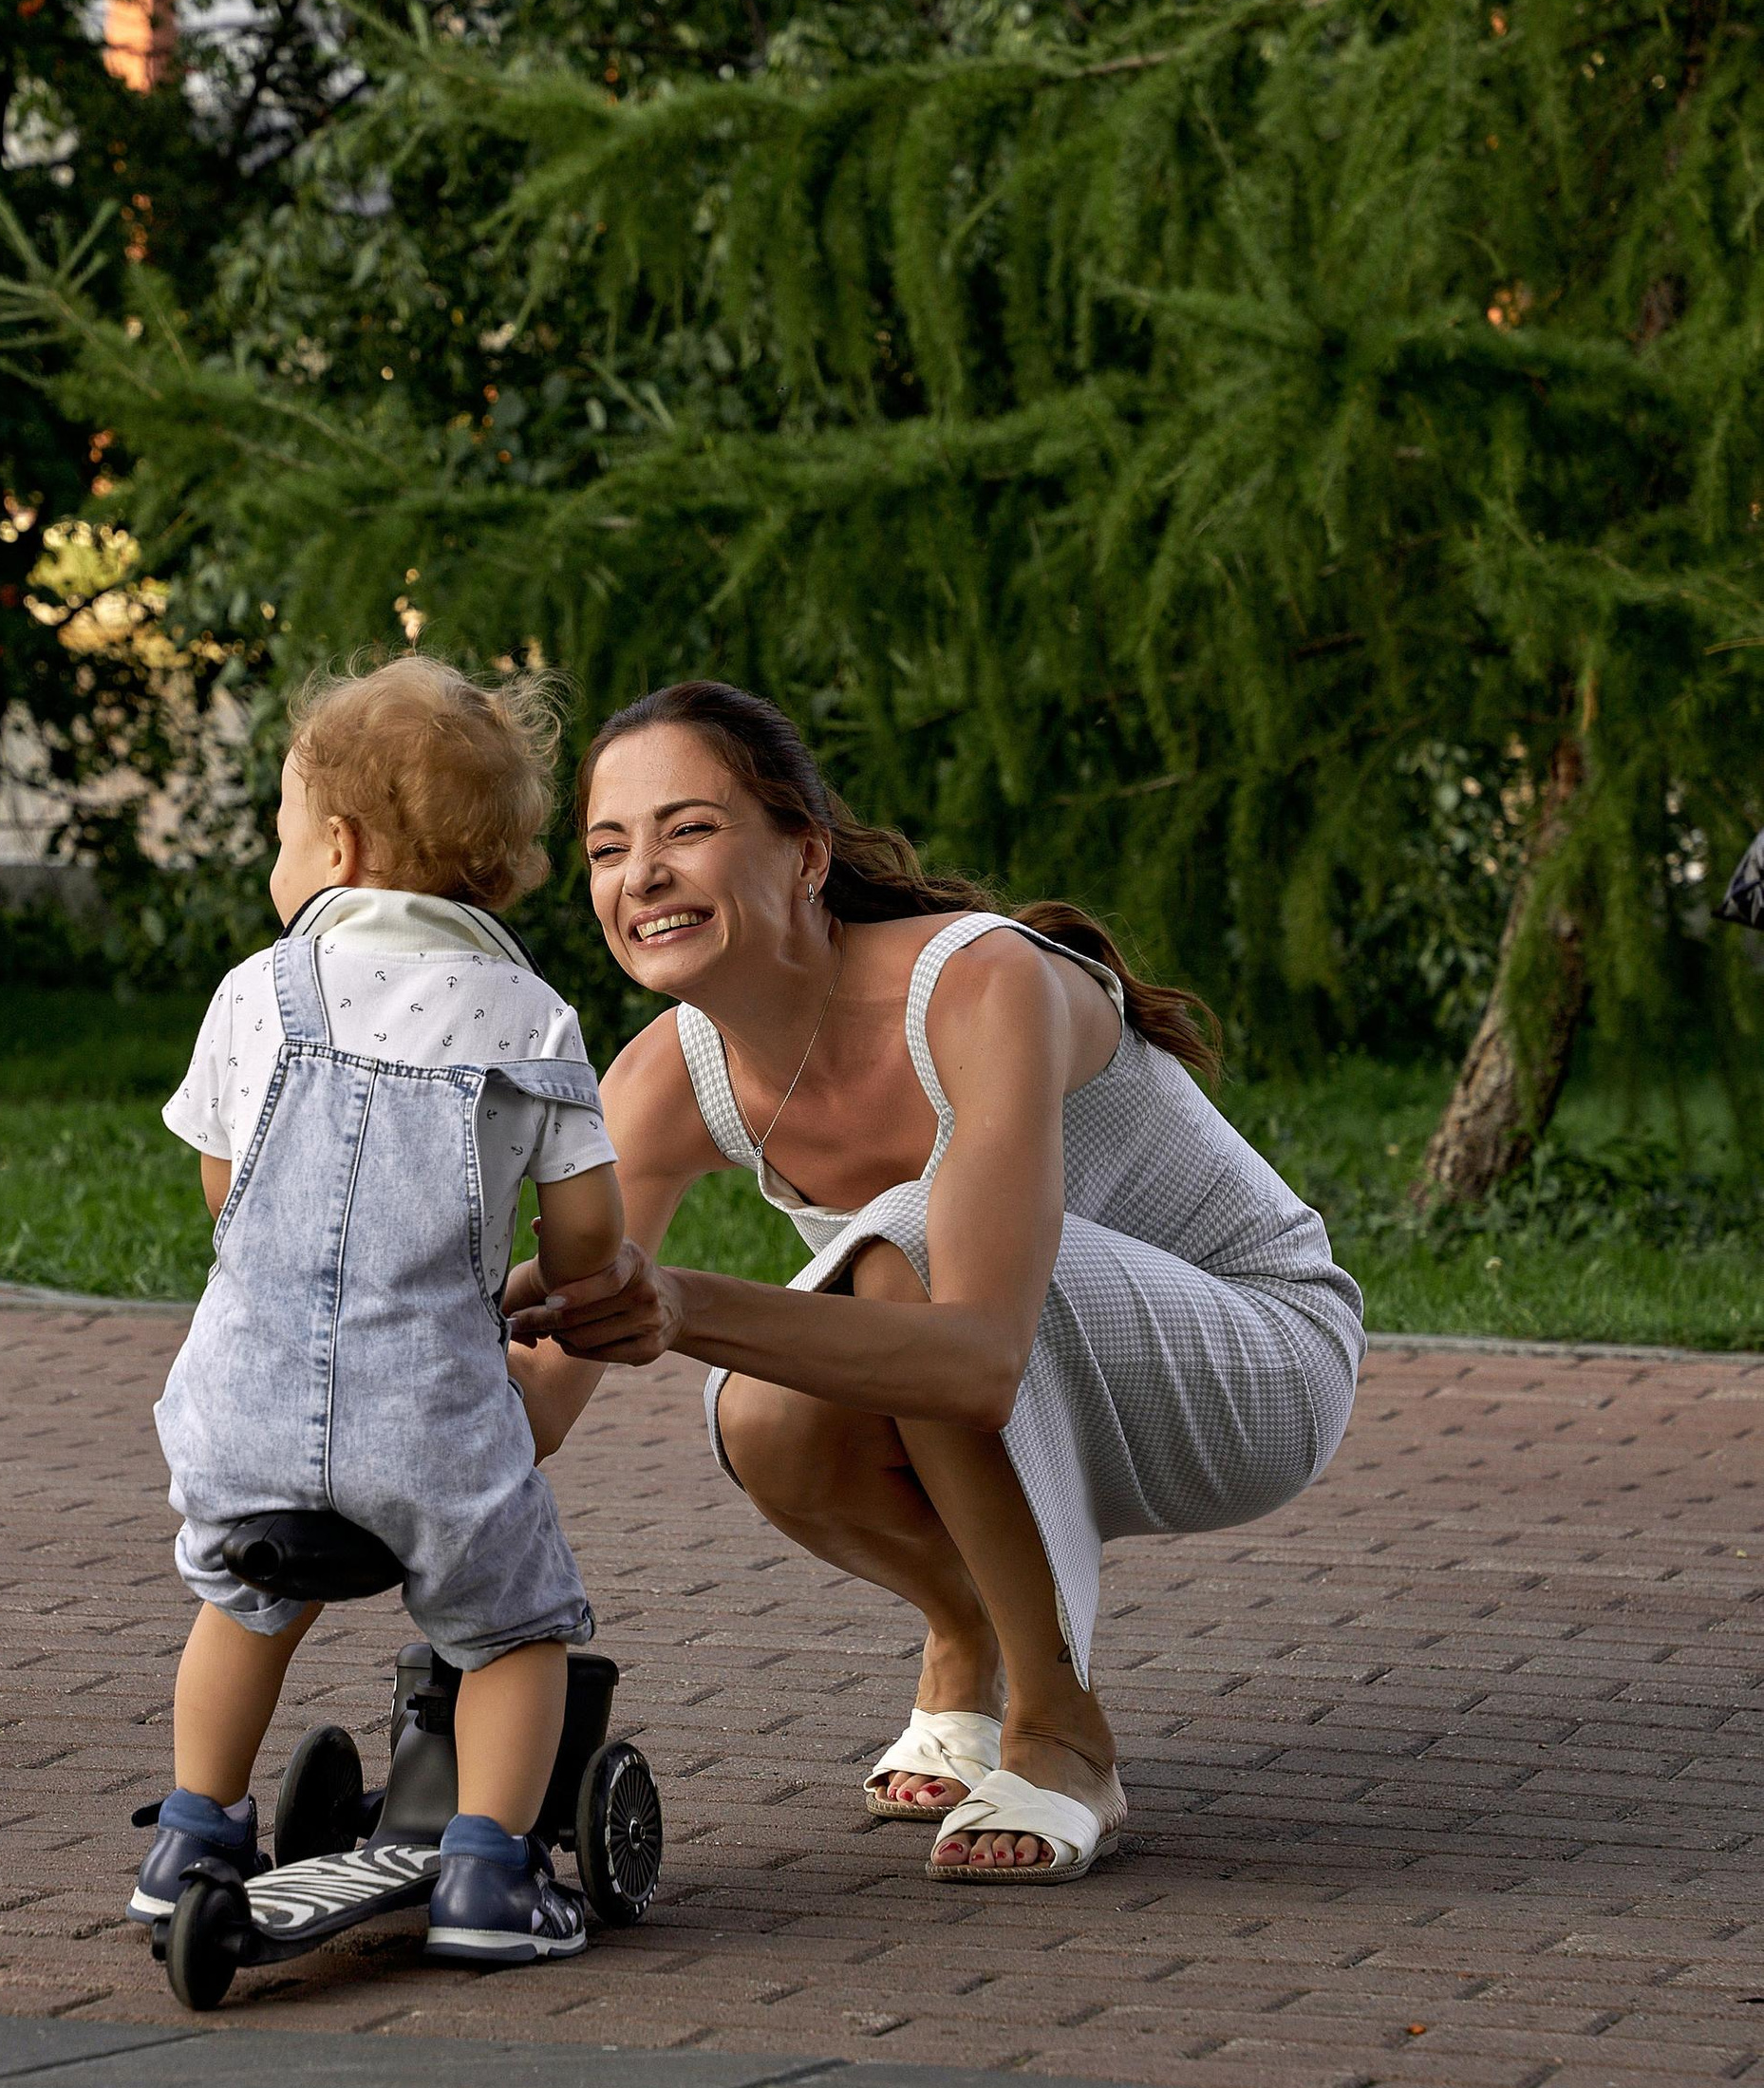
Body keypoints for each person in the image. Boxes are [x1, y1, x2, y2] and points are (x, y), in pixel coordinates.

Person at [507, 683, 1363, 1885]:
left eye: (686, 829)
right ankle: (967, 1632)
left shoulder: (975, 984)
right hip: (1039, 1386)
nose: (640, 873)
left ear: (803, 854)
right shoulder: (661, 1077)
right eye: (607, 848)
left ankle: (1063, 1732)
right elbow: (533, 1394)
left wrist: (686, 1307)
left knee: (897, 1258)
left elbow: (976, 1359)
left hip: (1259, 1363)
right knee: (762, 1411)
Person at [133, 656, 629, 1967]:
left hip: (241, 1404)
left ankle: (194, 1831)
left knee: (245, 1601)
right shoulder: (532, 1018)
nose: (278, 860)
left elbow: (225, 1190)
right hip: (428, 1417)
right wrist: (539, 1284)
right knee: (517, 1624)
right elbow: (587, 1244)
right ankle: (485, 1873)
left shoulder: (259, 993)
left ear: (339, 848)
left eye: (283, 833)